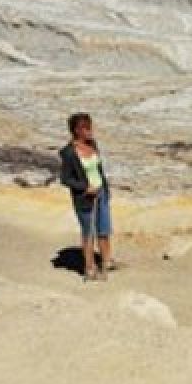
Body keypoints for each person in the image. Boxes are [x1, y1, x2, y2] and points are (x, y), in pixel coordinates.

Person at [59, 113, 118, 281]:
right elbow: (65, 179)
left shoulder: (93, 145)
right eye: (85, 128)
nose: (89, 130)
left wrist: (104, 188)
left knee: (104, 229)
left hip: (101, 193)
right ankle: (89, 267)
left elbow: (98, 170)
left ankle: (107, 261)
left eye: (89, 126)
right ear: (76, 130)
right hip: (85, 198)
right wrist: (85, 187)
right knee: (88, 232)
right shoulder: (69, 153)